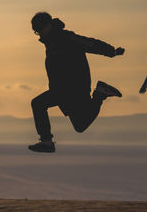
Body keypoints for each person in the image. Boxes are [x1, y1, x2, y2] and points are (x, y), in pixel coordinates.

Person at [29, 12, 125, 153]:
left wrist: (112, 51)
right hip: (64, 89)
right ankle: (100, 93)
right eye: (37, 32)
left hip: (72, 88)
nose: (40, 35)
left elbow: (90, 44)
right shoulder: (51, 42)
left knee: (38, 103)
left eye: (40, 30)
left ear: (48, 25)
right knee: (80, 125)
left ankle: (47, 141)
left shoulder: (65, 37)